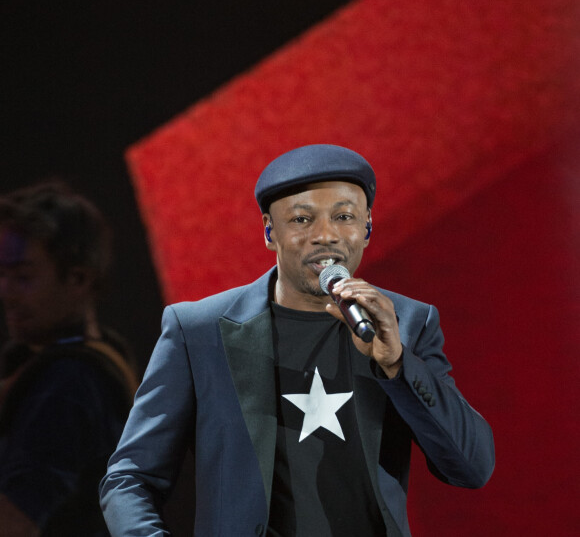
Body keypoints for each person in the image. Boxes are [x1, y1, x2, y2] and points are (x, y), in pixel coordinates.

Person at [100, 144, 495, 536]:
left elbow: (471, 466)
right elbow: (130, 478)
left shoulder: (407, 323)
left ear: (368, 228)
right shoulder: (199, 330)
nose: (325, 235)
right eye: (302, 219)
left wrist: (398, 364)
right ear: (270, 232)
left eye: (344, 216)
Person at [0, 182, 139, 536]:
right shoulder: (98, 355)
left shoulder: (70, 380)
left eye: (24, 277)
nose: (7, 293)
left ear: (77, 278)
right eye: (4, 274)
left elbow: (15, 522)